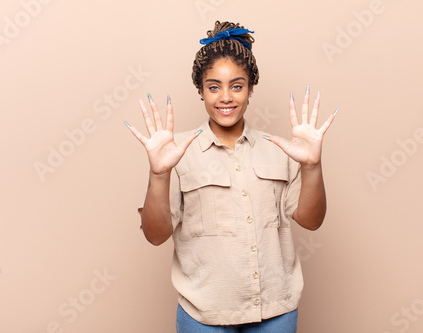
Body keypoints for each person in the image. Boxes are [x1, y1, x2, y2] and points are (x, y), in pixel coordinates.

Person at [125, 20, 338, 333]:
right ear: (201, 90)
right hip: (204, 317)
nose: (225, 97)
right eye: (214, 87)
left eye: (236, 86)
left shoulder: (281, 150)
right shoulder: (175, 153)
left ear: (250, 88)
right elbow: (155, 235)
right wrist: (159, 174)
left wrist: (312, 166)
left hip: (276, 313)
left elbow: (311, 220)